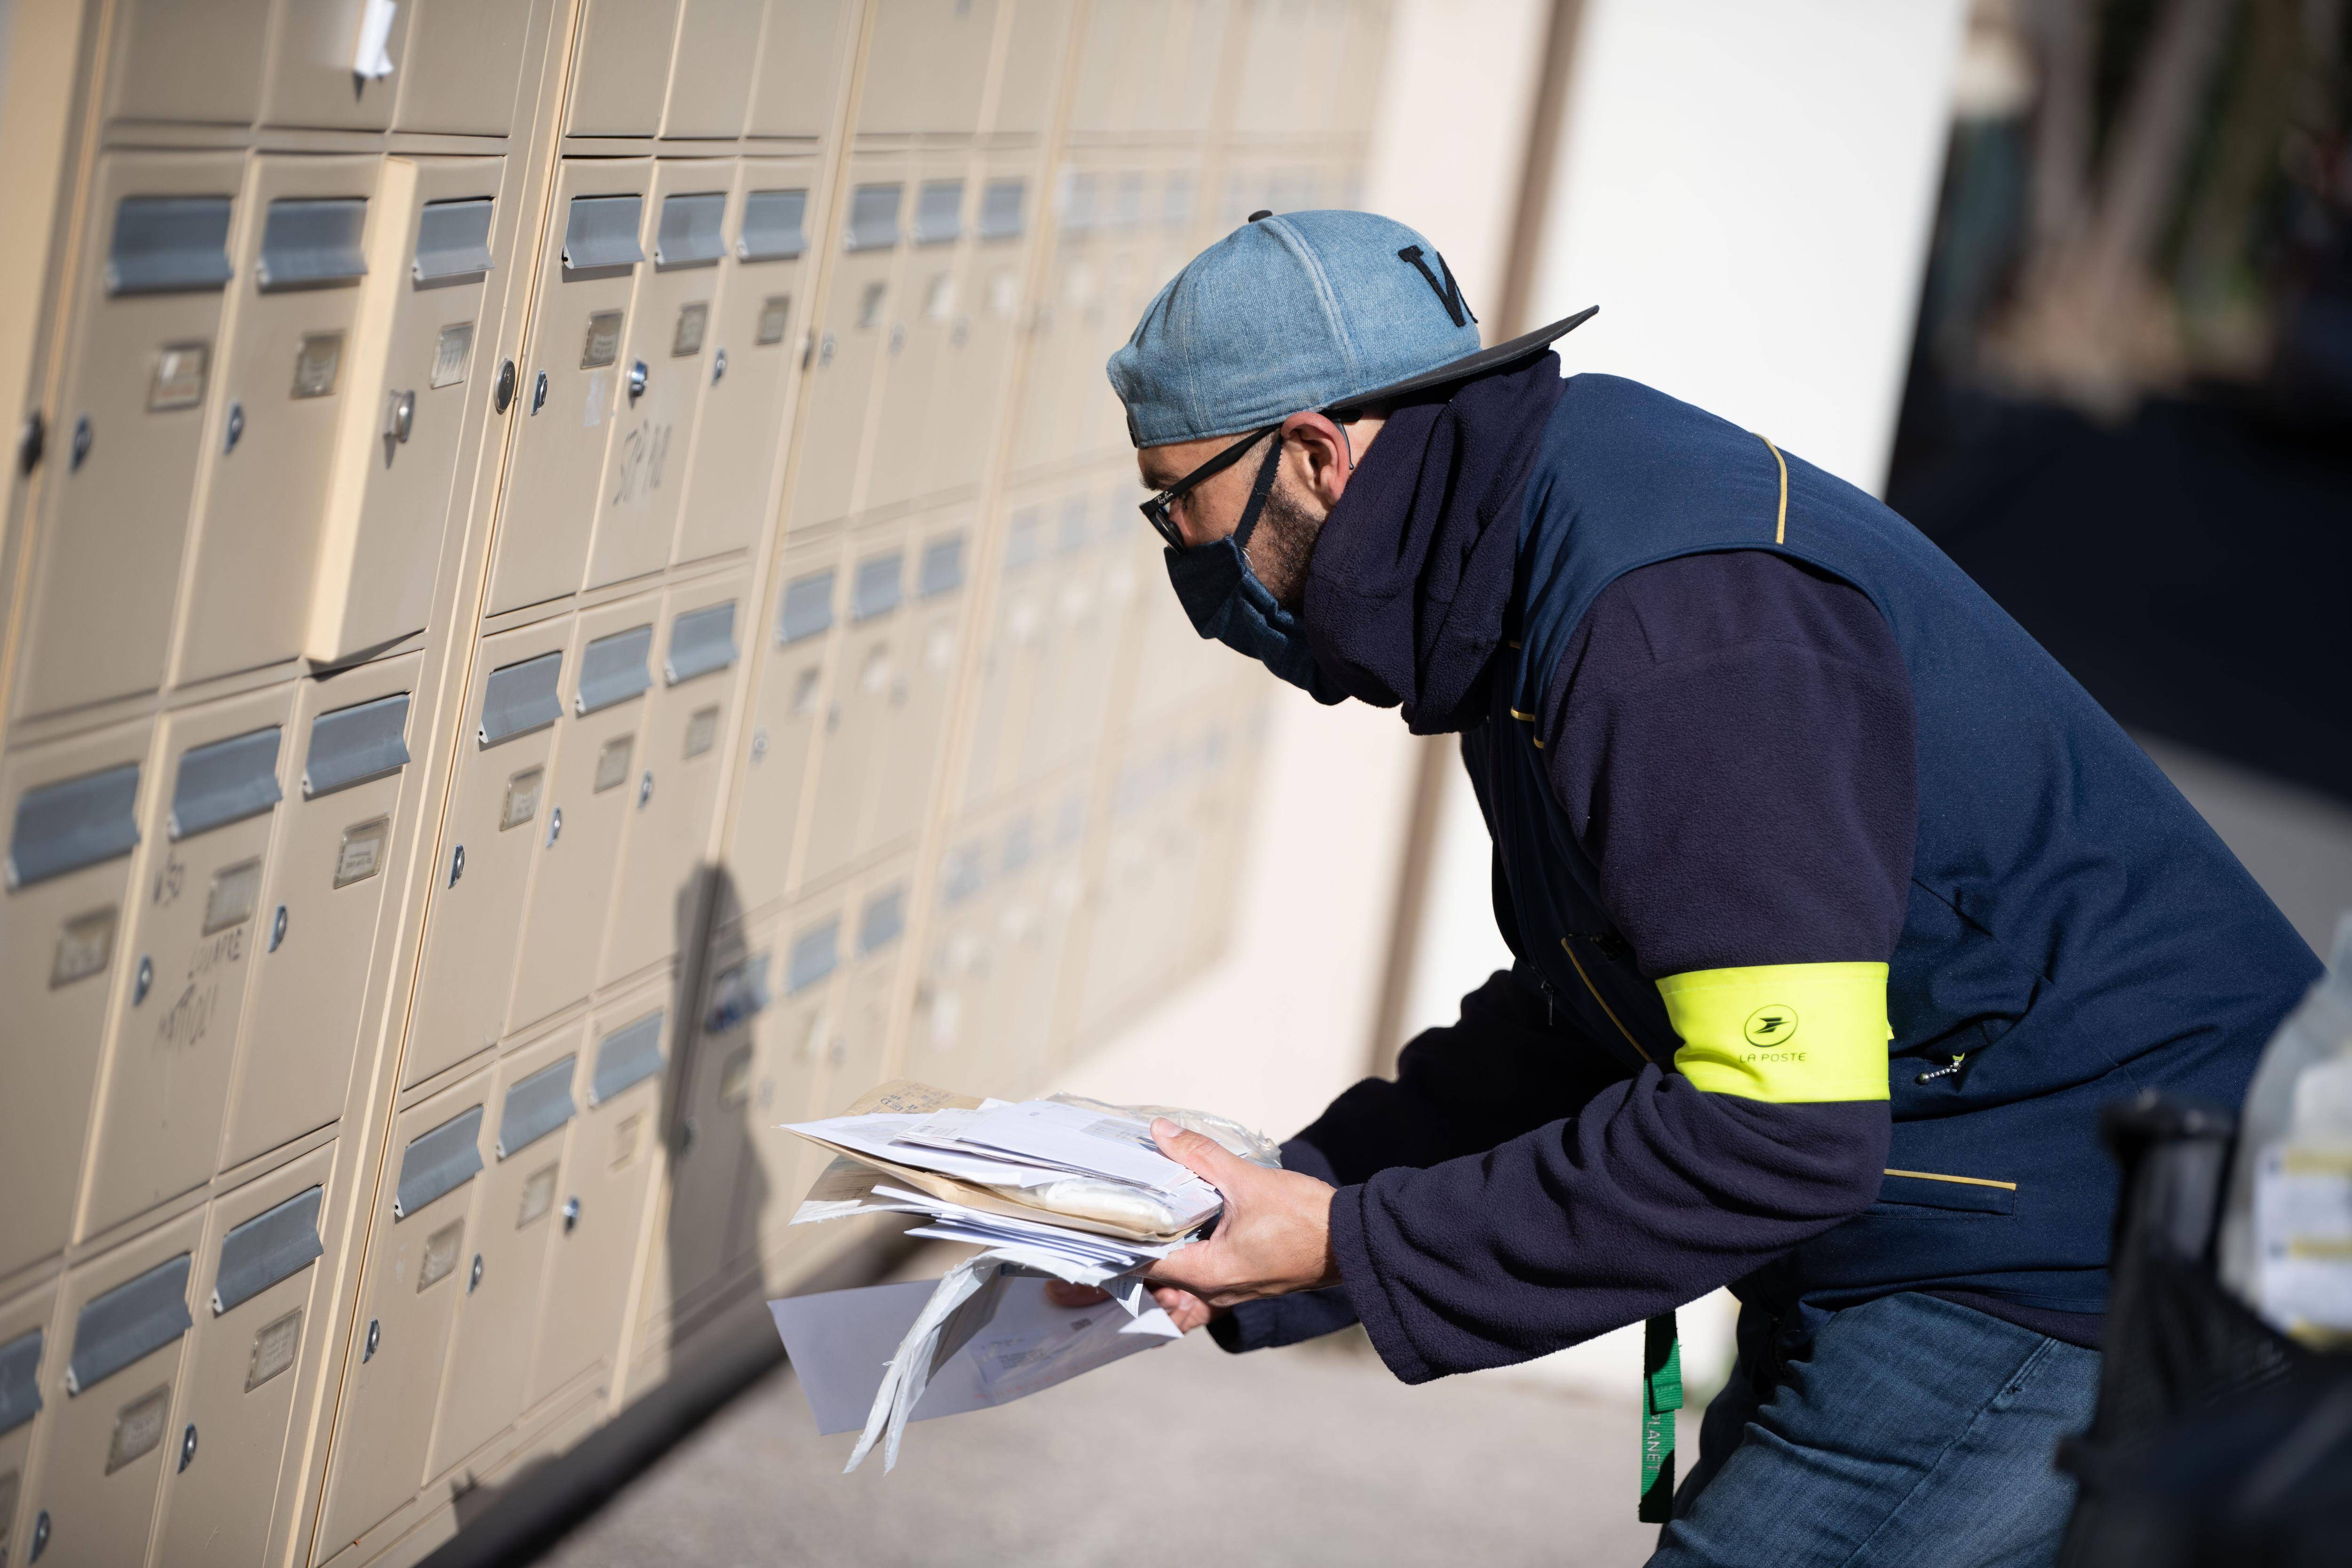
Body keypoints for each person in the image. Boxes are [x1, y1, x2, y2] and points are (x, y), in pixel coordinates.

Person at [1075, 209, 2321, 1567]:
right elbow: (1596, 1014)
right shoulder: (1515, 557)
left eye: (1177, 501)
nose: (1180, 549)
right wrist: (1271, 1204)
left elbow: (1776, 1128)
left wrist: (1347, 1242)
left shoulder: (1667, 627)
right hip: (1944, 1205)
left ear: (1316, 457)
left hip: (2077, 1238)